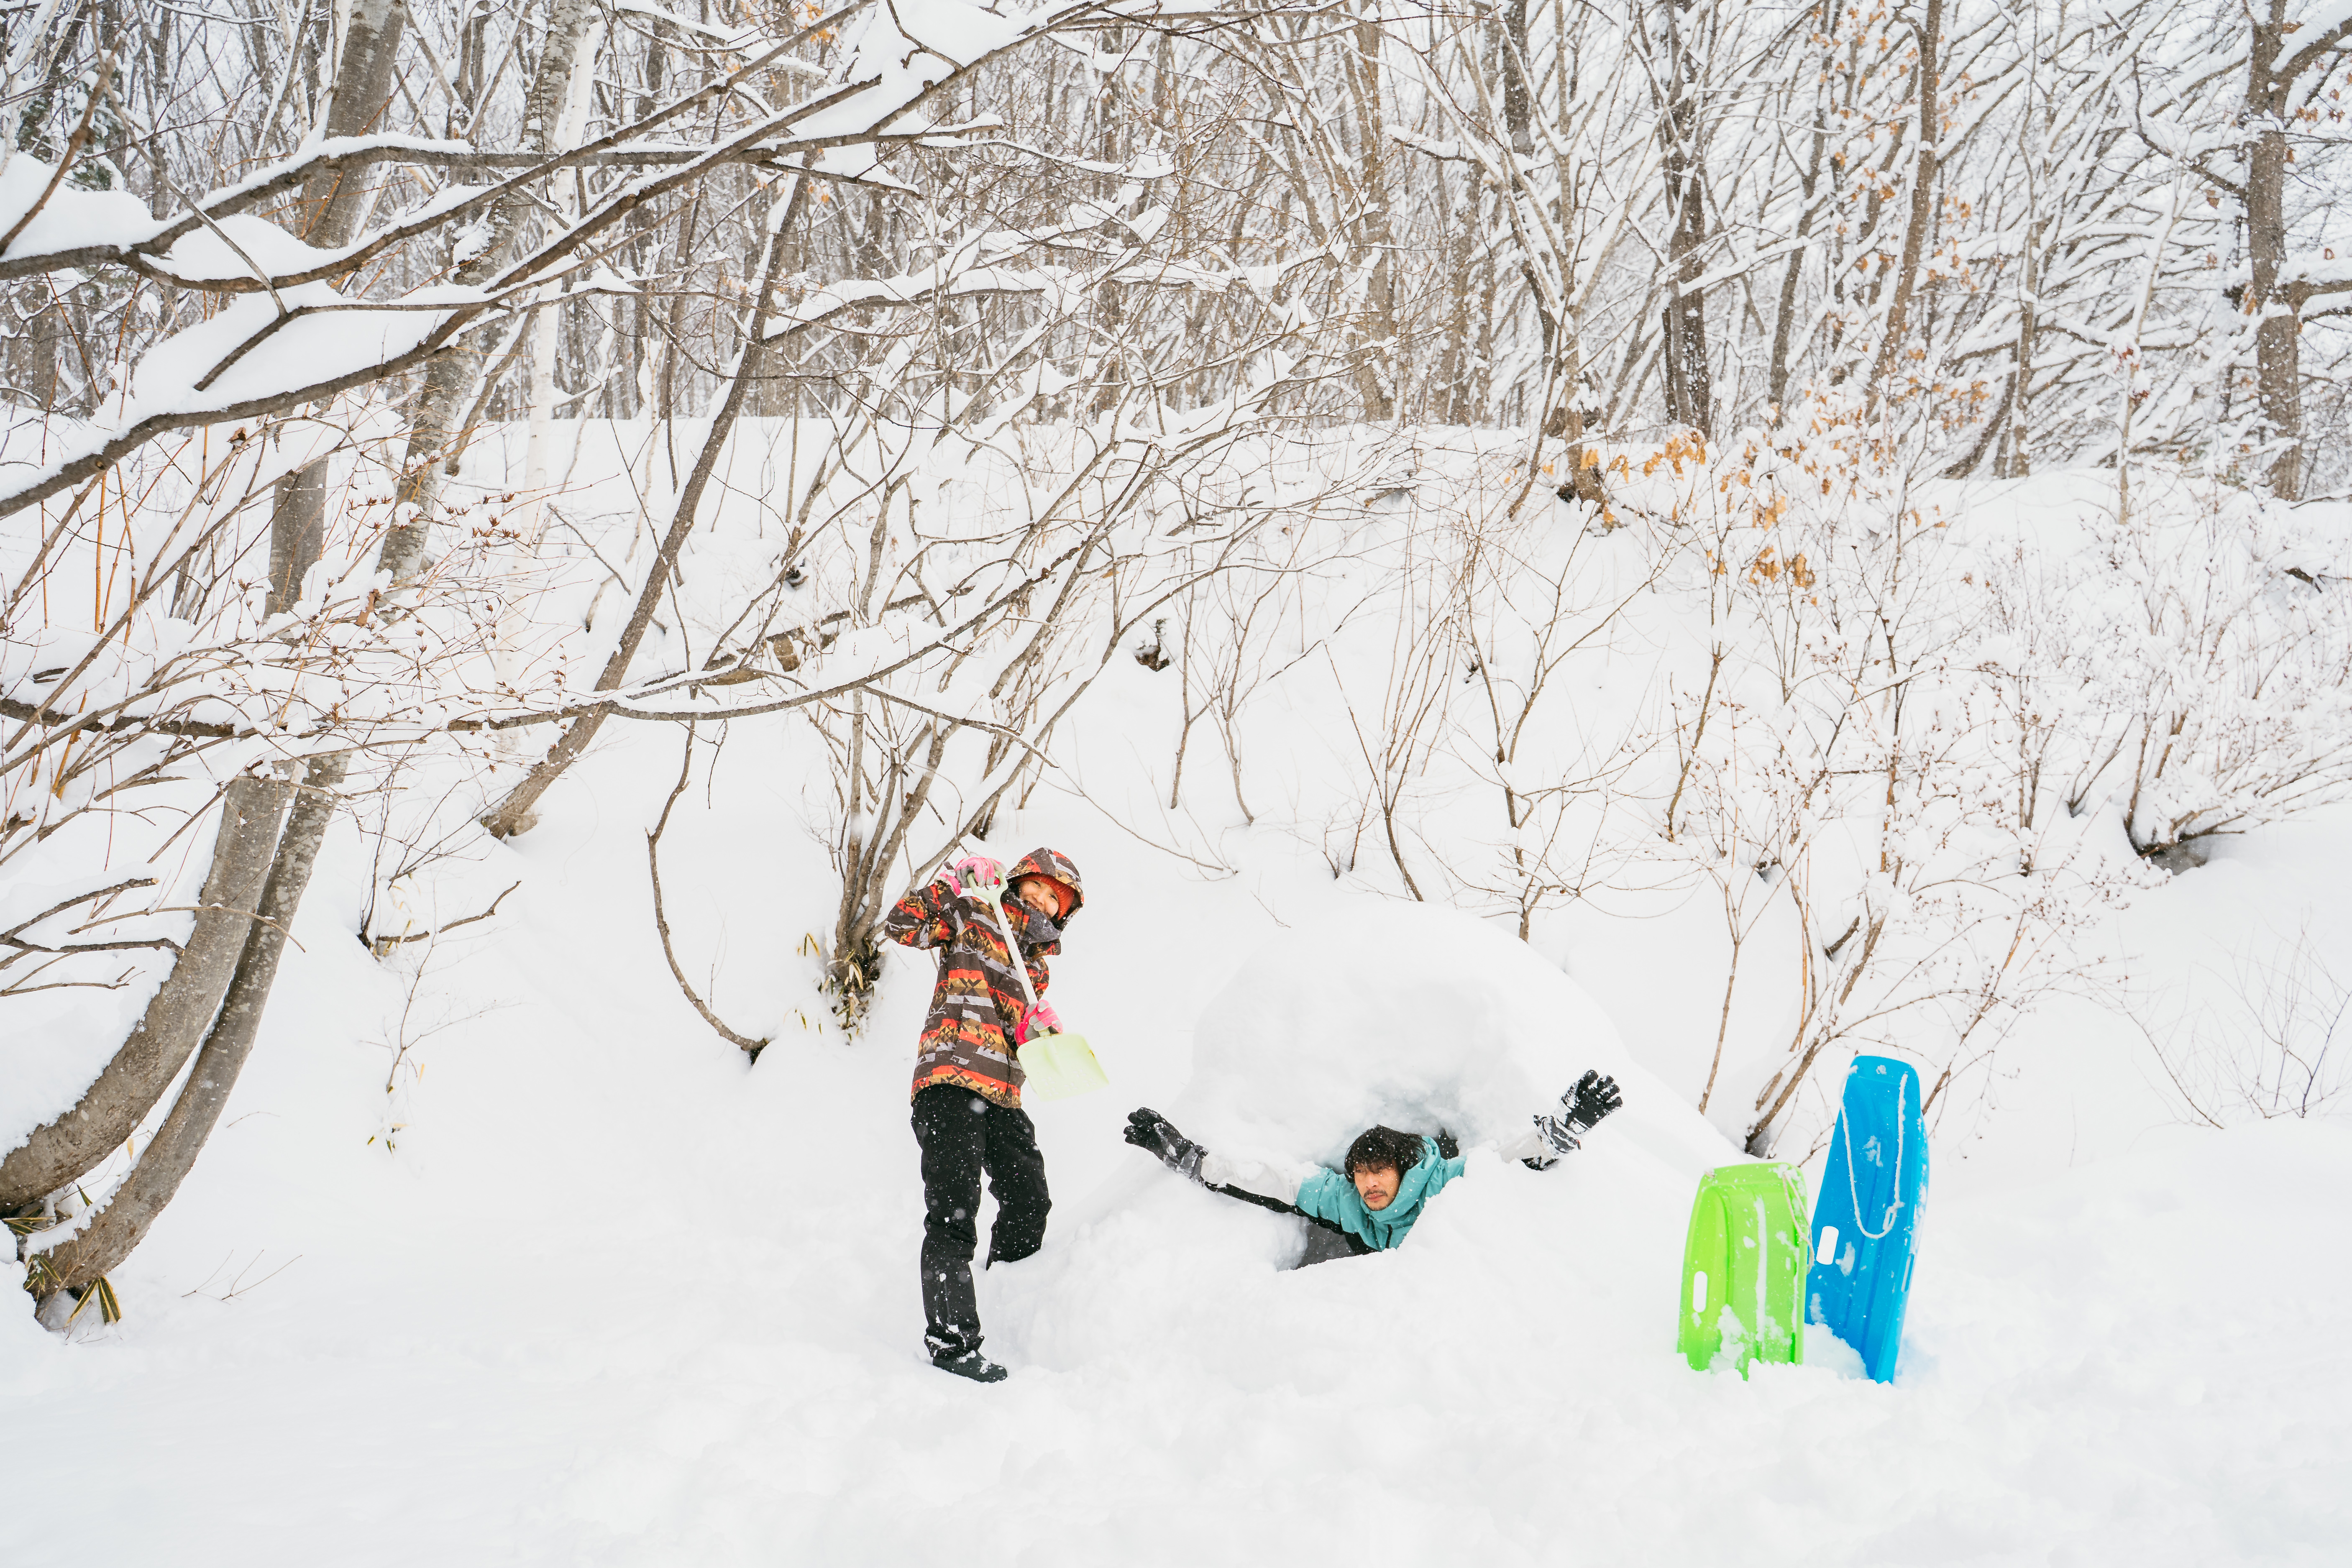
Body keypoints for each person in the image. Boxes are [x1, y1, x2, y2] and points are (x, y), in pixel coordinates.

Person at [882, 847, 1085, 1383]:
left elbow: (1016, 1035)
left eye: (1055, 898)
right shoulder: (973, 914)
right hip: (950, 1077)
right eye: (1039, 887)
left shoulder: (1035, 967)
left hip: (1001, 1093)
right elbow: (901, 923)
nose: (1043, 899)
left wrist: (1036, 1031)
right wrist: (952, 885)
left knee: (1029, 1195)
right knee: (954, 1211)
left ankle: (1008, 1298)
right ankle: (953, 1344)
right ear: (1019, 882)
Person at [1121, 1071, 1623, 1257]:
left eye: (1379, 1170)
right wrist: (1189, 1158)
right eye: (1360, 1172)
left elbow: (1503, 1158)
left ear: (1405, 1168)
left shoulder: (1445, 1184)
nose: (1368, 1184)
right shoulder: (1349, 1201)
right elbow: (1274, 1181)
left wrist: (1557, 1133)